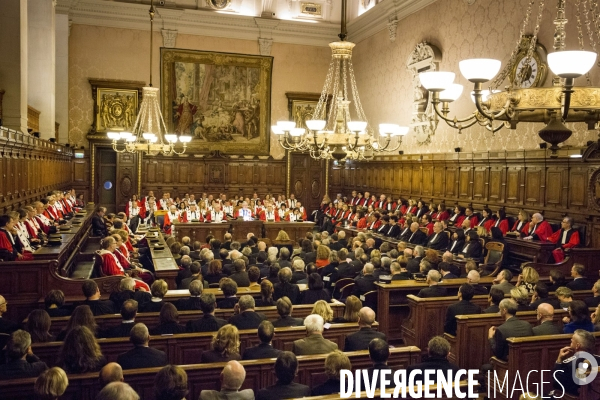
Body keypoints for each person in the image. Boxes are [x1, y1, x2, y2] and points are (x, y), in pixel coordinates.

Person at [553, 329, 600, 396]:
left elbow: (557, 384)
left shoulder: (568, 364)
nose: (570, 342)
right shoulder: (599, 359)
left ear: (577, 346)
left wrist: (559, 361)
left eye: (571, 341)